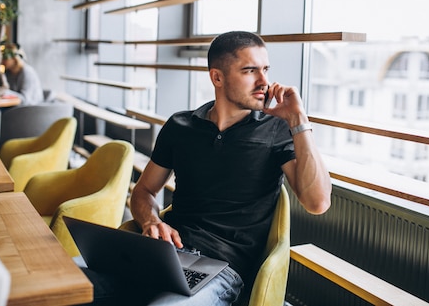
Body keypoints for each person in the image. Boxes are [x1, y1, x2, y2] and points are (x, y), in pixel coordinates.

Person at [80, 31, 332, 305]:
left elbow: (317, 202)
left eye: (265, 69)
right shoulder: (180, 126)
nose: (264, 82)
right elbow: (144, 192)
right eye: (250, 71)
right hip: (166, 256)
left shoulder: (277, 130)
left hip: (220, 270)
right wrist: (152, 221)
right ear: (217, 77)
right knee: (56, 282)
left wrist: (298, 119)